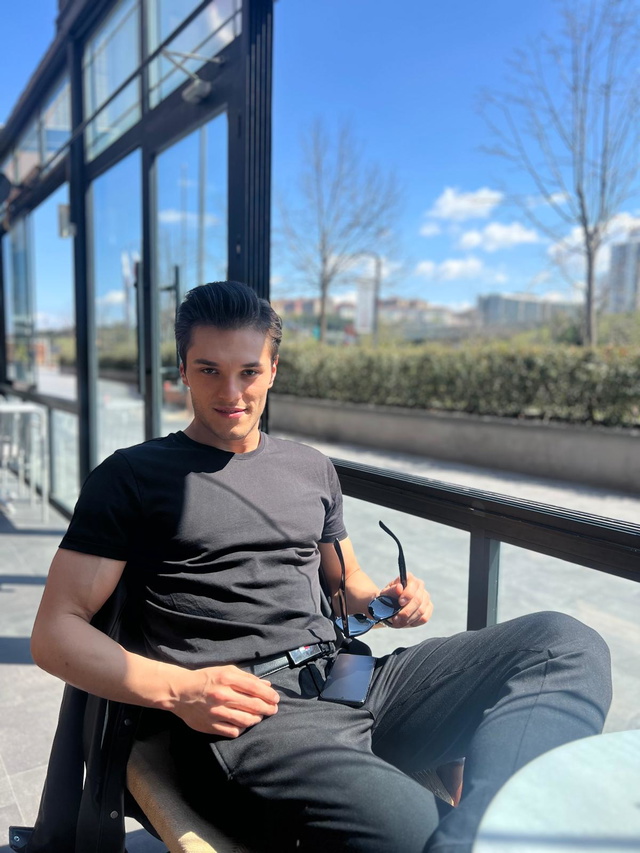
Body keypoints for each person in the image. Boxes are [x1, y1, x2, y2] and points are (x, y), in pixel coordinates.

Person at [30, 280, 612, 853]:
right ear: (182, 369)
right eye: (209, 370)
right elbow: (55, 632)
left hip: (349, 678)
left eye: (249, 371)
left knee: (563, 641)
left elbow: (347, 582)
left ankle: (490, 834)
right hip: (250, 715)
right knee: (425, 836)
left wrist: (388, 599)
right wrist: (183, 690)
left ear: (273, 370)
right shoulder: (131, 476)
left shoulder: (310, 467)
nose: (231, 392)